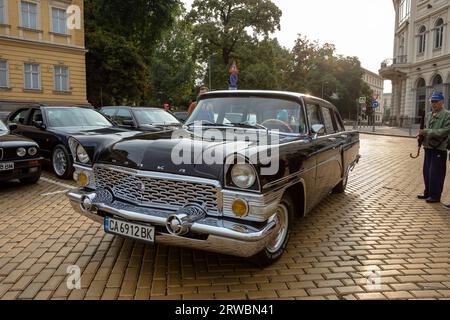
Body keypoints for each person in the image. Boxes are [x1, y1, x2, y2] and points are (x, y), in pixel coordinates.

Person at [417, 92, 450, 203]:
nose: (434, 104)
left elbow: (444, 131)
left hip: (439, 148)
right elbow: (424, 129)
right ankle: (428, 192)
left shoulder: (447, 115)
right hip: (428, 147)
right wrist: (420, 136)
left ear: (442, 102)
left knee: (436, 173)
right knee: (427, 171)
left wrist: (426, 131)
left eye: (436, 101)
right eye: (432, 101)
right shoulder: (428, 115)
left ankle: (435, 196)